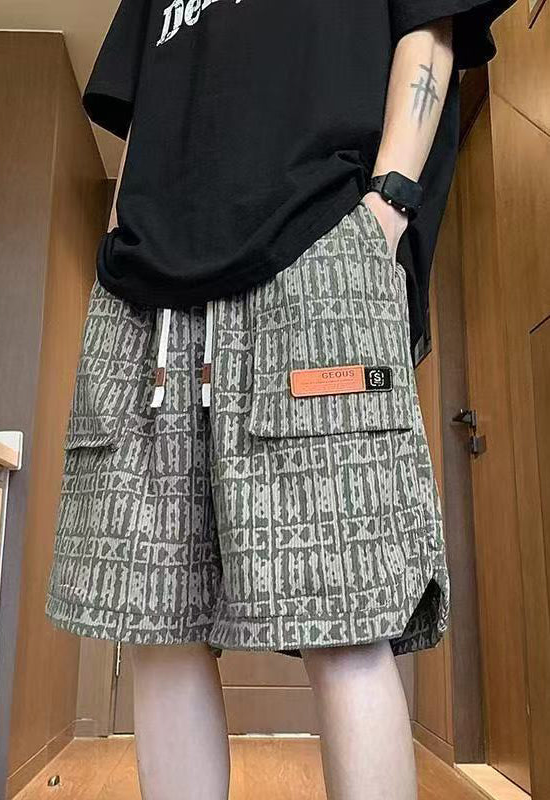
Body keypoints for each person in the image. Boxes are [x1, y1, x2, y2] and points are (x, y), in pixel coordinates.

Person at [45, 1, 514, 798]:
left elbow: (429, 26)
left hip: (318, 245)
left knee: (345, 614)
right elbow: (143, 119)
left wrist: (387, 206)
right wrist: (120, 237)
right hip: (146, 293)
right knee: (157, 620)